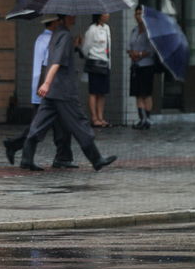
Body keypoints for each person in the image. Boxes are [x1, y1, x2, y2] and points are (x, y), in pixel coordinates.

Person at [7, 13, 117, 173]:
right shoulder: (64, 35)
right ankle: (96, 159)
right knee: (79, 123)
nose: (74, 18)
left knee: (39, 123)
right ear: (60, 19)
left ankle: (26, 158)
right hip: (63, 90)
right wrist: (46, 83)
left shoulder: (57, 35)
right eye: (70, 16)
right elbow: (56, 62)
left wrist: (75, 46)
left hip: (53, 91)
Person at [2, 13, 74, 168]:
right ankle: (17, 148)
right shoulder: (51, 41)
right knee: (40, 126)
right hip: (49, 90)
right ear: (55, 23)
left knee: (59, 125)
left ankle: (62, 156)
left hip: (42, 89)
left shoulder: (41, 39)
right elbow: (53, 64)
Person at [128, 6, 157, 129]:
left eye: (140, 13)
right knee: (137, 93)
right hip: (136, 65)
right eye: (137, 13)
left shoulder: (150, 31)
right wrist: (131, 53)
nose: (138, 16)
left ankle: (148, 119)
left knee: (146, 93)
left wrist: (139, 54)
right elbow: (129, 45)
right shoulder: (134, 30)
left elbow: (151, 50)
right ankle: (142, 118)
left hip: (146, 65)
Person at [82, 12, 112, 128]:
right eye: (105, 13)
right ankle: (94, 118)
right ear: (99, 15)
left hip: (105, 63)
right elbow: (86, 47)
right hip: (95, 63)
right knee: (94, 91)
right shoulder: (92, 29)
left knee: (102, 92)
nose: (107, 15)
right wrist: (89, 56)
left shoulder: (107, 28)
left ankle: (101, 117)